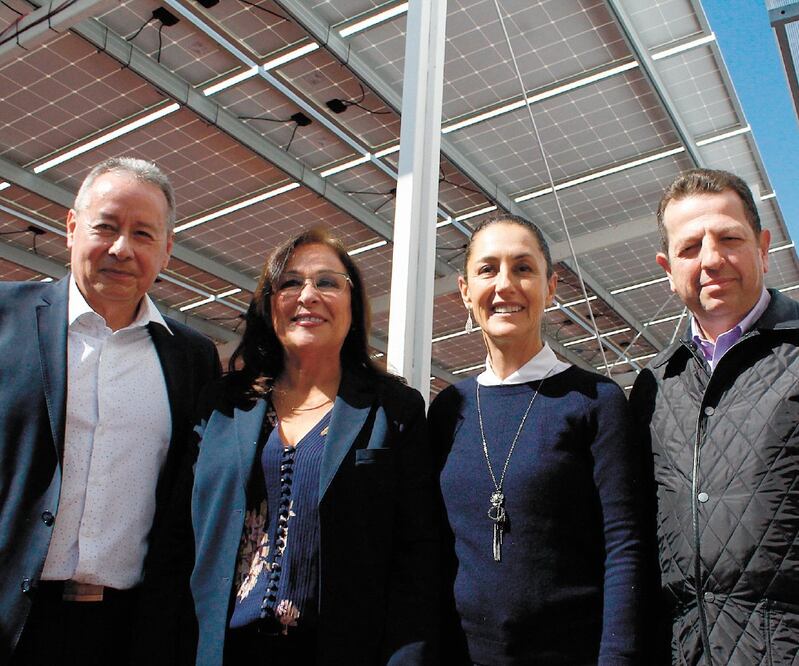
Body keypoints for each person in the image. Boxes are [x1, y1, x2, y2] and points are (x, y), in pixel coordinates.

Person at [0, 157, 220, 665]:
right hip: (12, 618)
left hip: (129, 629)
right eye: (106, 226)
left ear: (166, 251)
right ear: (73, 227)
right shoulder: (7, 320)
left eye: (143, 234)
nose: (122, 249)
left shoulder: (191, 358)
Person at [190, 228, 438, 665]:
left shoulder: (394, 410)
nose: (308, 295)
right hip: (224, 651)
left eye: (326, 282)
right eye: (289, 283)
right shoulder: (224, 405)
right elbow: (180, 535)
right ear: (269, 305)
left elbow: (418, 558)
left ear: (353, 303)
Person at [428, 214, 645, 665]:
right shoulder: (448, 410)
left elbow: (625, 544)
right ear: (466, 291)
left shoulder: (594, 401)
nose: (505, 284)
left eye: (523, 268)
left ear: (550, 287)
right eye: (487, 269)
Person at [630, 168, 799, 665]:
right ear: (666, 268)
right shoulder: (652, 387)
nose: (711, 260)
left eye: (729, 238)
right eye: (690, 248)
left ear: (763, 246)